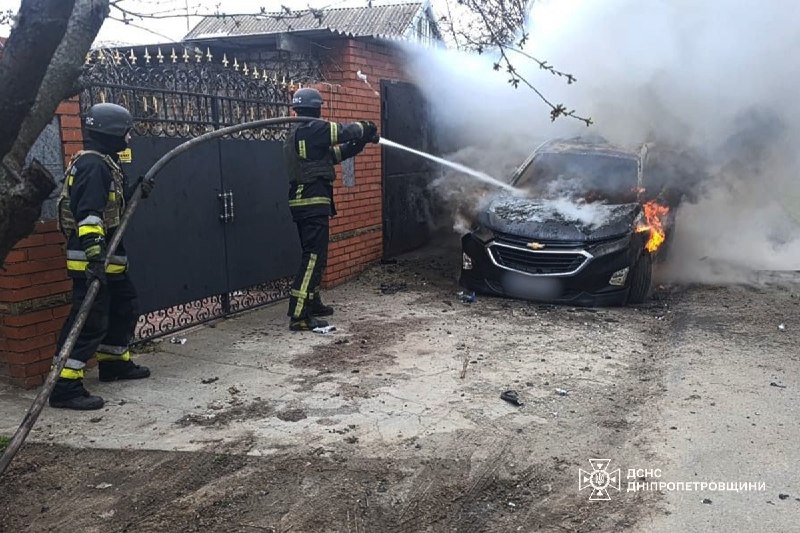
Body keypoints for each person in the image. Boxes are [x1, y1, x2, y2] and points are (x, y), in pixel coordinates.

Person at [49, 103, 154, 410]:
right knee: (88, 322)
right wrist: (95, 258)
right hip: (92, 260)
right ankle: (64, 387)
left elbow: (110, 211)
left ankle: (114, 363)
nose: (128, 138)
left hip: (109, 259)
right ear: (111, 133)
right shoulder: (93, 166)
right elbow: (89, 216)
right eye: (126, 132)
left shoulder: (105, 163)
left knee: (124, 307)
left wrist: (136, 192)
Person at [284, 87, 379, 331]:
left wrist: (359, 144)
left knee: (315, 256)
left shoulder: (300, 133)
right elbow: (343, 132)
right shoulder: (314, 129)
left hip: (306, 202)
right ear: (317, 108)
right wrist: (367, 127)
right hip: (312, 202)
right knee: (313, 257)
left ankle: (312, 302)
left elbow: (335, 154)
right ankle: (299, 315)